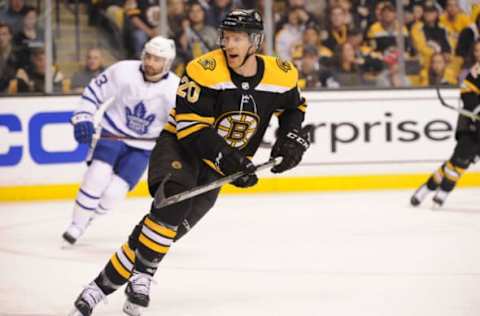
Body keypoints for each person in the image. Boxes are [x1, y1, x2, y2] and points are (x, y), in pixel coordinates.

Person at [68, 9, 310, 316]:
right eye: (226, 37)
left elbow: (294, 109)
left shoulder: (282, 74)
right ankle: (143, 277)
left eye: (237, 38)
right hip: (180, 149)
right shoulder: (204, 68)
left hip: (220, 164)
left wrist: (289, 140)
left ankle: (95, 290)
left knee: (160, 232)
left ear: (256, 41)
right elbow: (192, 129)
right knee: (173, 204)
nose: (229, 44)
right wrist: (232, 161)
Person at [62, 36, 179, 245]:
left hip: (144, 147)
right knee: (97, 175)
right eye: (149, 57)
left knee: (113, 194)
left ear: (167, 63)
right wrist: (83, 117)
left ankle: (88, 217)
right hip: (112, 133)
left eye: (157, 59)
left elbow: (181, 123)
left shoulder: (175, 89)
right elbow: (94, 93)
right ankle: (76, 225)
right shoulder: (124, 70)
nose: (151, 63)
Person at [410, 61, 480, 208]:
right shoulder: (477, 69)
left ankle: (428, 187)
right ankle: (441, 190)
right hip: (472, 124)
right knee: (461, 160)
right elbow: (467, 92)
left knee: (462, 160)